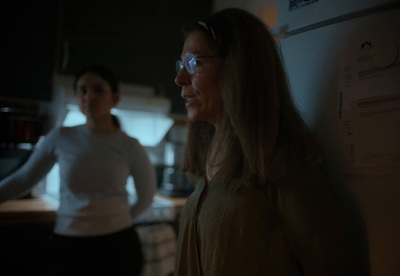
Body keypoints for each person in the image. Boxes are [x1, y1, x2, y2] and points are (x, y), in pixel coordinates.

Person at [174, 8, 369, 276]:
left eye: (194, 63)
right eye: (181, 64)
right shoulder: (208, 154)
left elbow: (330, 263)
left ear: (238, 68)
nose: (180, 78)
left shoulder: (279, 159)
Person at [0, 64, 157, 276]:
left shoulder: (130, 145)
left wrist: (116, 219)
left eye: (98, 89)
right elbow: (23, 179)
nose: (89, 96)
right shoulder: (60, 137)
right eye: (82, 90)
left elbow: (146, 197)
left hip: (117, 247)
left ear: (115, 97)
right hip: (68, 246)